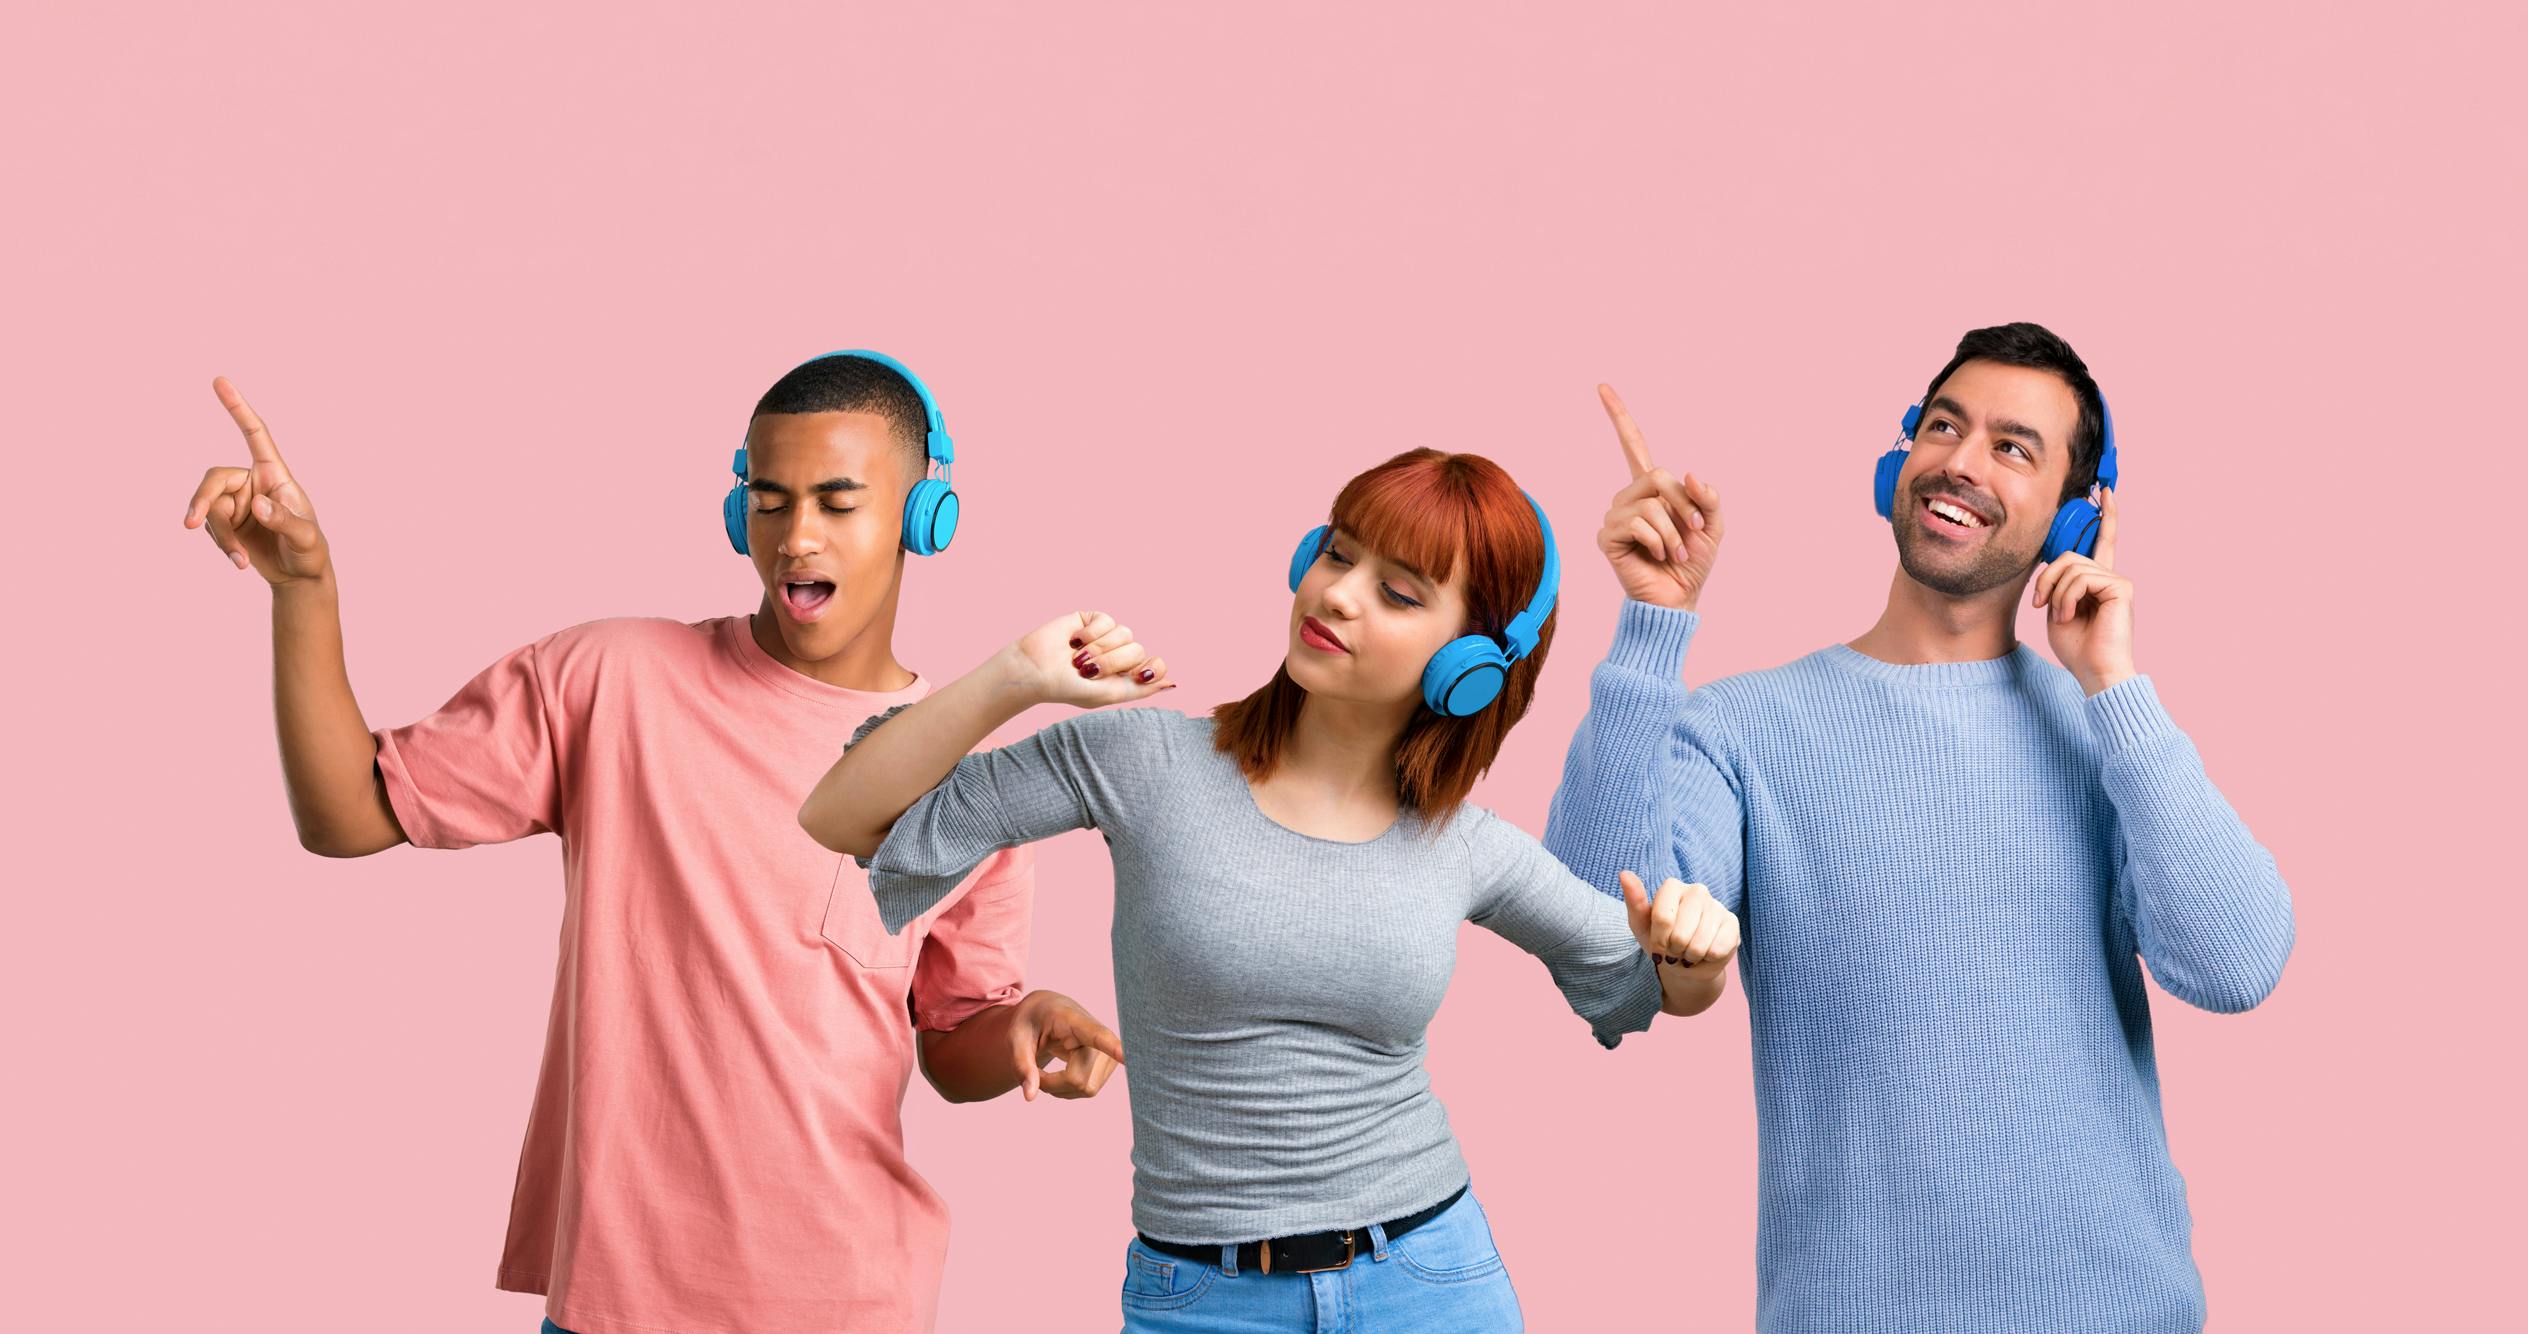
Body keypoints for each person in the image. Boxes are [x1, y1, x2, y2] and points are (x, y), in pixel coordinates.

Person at [181, 351, 1124, 1334]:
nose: (795, 536)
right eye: (768, 499)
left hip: (852, 1300)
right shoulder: (606, 679)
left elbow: (952, 1041)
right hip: (616, 1303)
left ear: (924, 518)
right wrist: (305, 588)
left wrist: (1019, 1026)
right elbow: (345, 812)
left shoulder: (971, 776)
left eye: (838, 503)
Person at [799, 447, 1739, 1332]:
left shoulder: (1466, 846)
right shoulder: (1143, 762)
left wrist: (1693, 956)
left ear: (1470, 668)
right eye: (1336, 552)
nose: (1336, 593)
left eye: (1398, 591)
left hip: (1430, 1279)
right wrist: (1015, 678)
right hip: (1201, 1295)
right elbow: (847, 818)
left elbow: (1643, 979)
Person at [1544, 323, 2296, 1331]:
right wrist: (1651, 622)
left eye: (2010, 446)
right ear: (1897, 460)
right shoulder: (1742, 728)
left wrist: (2113, 682)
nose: (1959, 460)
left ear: (2076, 517)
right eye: (1942, 425)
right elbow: (1603, 956)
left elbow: (2235, 960)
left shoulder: (2105, 734)